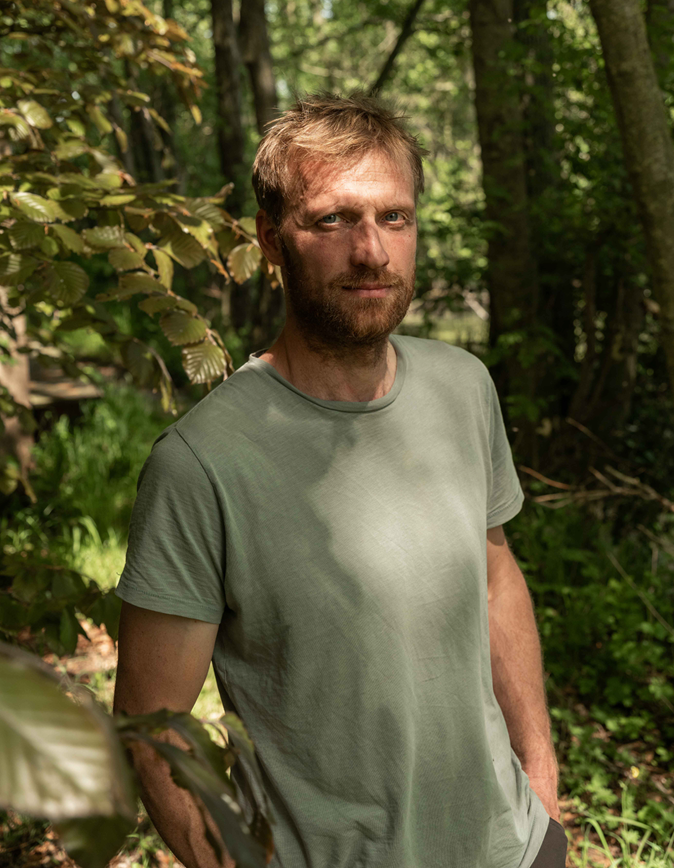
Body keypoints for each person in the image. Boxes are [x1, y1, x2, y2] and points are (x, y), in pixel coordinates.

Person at [113, 92, 567, 868]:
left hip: (513, 847)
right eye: (333, 220)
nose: (372, 251)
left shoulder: (463, 387)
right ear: (270, 241)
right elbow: (153, 730)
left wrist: (542, 783)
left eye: (395, 218)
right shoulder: (201, 463)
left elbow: (494, 580)